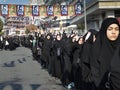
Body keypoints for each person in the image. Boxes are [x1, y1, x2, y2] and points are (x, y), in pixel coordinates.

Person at [90, 18, 120, 90]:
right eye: (110, 29)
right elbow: (95, 70)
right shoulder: (97, 47)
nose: (114, 32)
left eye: (116, 29)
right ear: (104, 30)